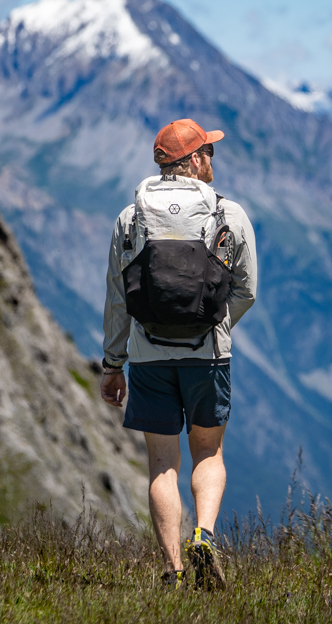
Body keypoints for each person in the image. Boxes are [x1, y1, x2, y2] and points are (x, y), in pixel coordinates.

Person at [99, 118, 257, 590]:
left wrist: (113, 363)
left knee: (161, 464)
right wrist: (216, 324)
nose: (212, 159)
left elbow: (118, 297)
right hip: (208, 355)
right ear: (192, 161)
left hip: (148, 359)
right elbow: (247, 290)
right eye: (208, 151)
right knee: (208, 452)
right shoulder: (229, 215)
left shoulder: (130, 220)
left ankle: (173, 571)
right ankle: (204, 536)